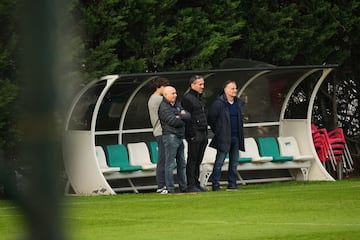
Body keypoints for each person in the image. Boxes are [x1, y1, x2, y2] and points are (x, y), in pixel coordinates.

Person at [208, 80, 245, 191]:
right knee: (220, 161)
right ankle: (215, 184)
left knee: (234, 162)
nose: (234, 90)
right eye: (232, 88)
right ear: (225, 90)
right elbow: (211, 119)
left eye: (235, 88)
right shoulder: (219, 103)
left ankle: (232, 183)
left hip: (236, 137)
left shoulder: (238, 103)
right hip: (223, 137)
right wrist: (219, 131)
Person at [158, 86, 190, 193]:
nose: (175, 95)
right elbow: (173, 122)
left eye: (175, 93)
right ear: (165, 95)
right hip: (170, 136)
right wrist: (181, 117)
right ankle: (170, 188)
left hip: (180, 136)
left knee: (182, 163)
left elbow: (189, 116)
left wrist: (179, 116)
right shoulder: (163, 107)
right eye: (172, 93)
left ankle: (183, 187)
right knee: (170, 163)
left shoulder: (177, 105)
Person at [181, 75, 208, 192]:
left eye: (203, 84)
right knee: (192, 159)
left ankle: (196, 183)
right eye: (200, 84)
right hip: (195, 133)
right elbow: (187, 118)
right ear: (193, 85)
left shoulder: (200, 98)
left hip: (203, 131)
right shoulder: (187, 99)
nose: (202, 86)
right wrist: (191, 134)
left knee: (198, 159)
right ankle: (190, 184)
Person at [147, 77, 170, 194]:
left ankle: (163, 184)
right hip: (162, 132)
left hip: (159, 132)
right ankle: (161, 185)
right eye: (164, 86)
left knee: (164, 158)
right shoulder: (158, 99)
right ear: (159, 87)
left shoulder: (153, 98)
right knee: (163, 159)